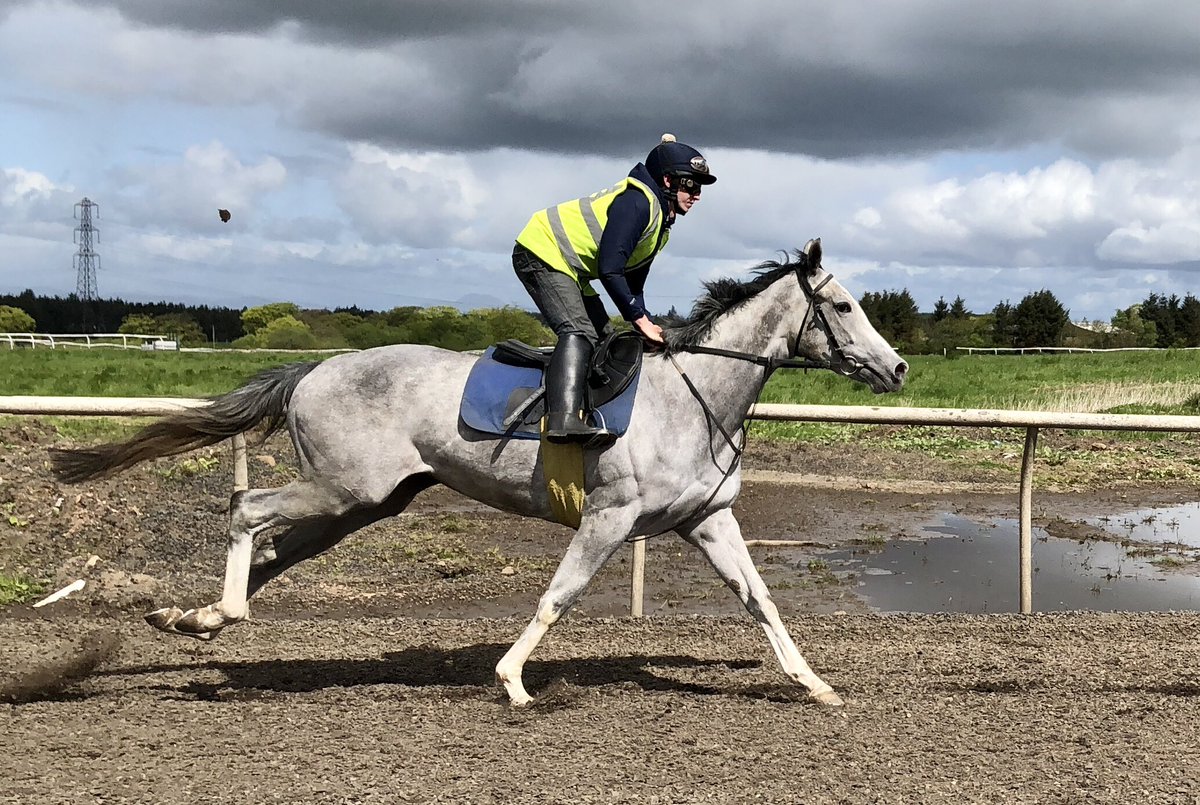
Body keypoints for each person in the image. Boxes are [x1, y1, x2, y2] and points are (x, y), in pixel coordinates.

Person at [513, 133, 716, 446]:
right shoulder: (638, 203)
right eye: (690, 185)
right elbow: (610, 269)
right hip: (541, 251)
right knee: (579, 333)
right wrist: (640, 320)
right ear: (667, 180)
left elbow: (633, 284)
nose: (697, 194)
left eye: (699, 187)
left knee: (607, 338)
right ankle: (562, 420)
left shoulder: (660, 222)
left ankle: (594, 413)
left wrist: (645, 321)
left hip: (569, 268)